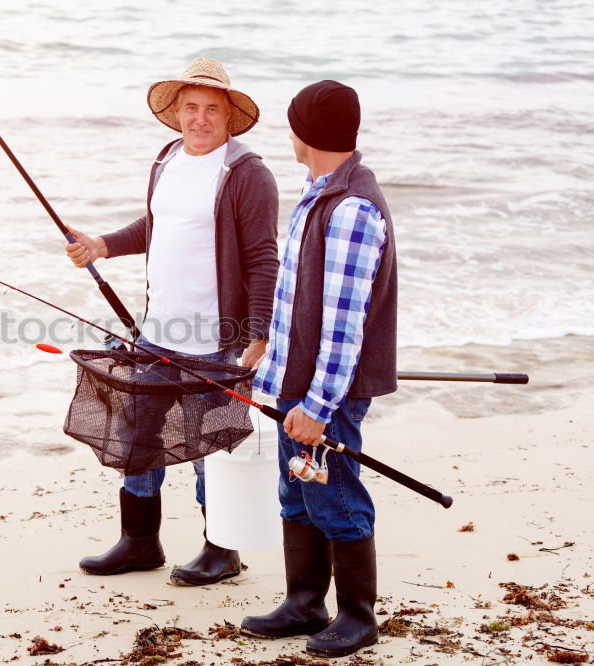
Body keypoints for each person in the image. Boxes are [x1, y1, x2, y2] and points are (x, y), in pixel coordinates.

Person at [63, 58, 279, 586]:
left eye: (211, 109)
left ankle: (221, 550)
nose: (199, 119)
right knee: (138, 435)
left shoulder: (248, 174)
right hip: (155, 330)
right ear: (176, 112)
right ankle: (139, 542)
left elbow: (263, 258)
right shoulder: (167, 159)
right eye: (190, 108)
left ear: (230, 116)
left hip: (212, 339)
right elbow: (156, 227)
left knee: (209, 446)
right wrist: (103, 245)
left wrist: (260, 331)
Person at [240, 80, 398, 657]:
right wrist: (266, 357)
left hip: (323, 393)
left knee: (336, 498)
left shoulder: (352, 209)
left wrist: (318, 405)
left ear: (306, 132)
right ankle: (304, 603)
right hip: (294, 384)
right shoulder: (318, 192)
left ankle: (358, 617)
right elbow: (297, 298)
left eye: (292, 124)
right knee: (296, 492)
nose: (289, 135)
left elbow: (343, 324)